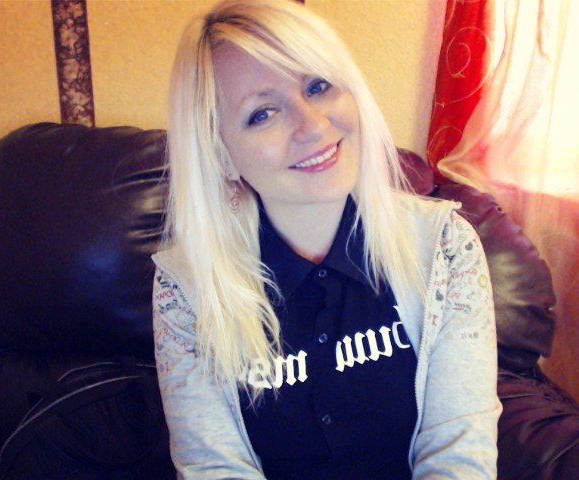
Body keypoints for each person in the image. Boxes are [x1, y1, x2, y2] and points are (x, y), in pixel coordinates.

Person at [152, 0, 501, 478]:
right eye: (262, 114)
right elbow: (214, 467)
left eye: (318, 86)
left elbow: (459, 453)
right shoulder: (184, 289)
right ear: (222, 156)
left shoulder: (446, 247)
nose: (313, 125)